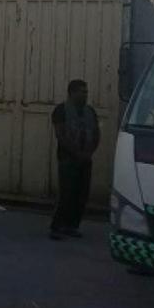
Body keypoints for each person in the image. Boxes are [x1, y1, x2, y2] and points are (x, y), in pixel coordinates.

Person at [50, 80, 100, 240]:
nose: (85, 95)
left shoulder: (90, 112)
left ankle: (72, 225)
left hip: (85, 159)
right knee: (66, 193)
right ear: (72, 93)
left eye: (86, 92)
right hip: (68, 159)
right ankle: (57, 226)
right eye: (82, 92)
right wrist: (76, 153)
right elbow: (60, 135)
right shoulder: (61, 110)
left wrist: (89, 152)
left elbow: (96, 133)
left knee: (81, 194)